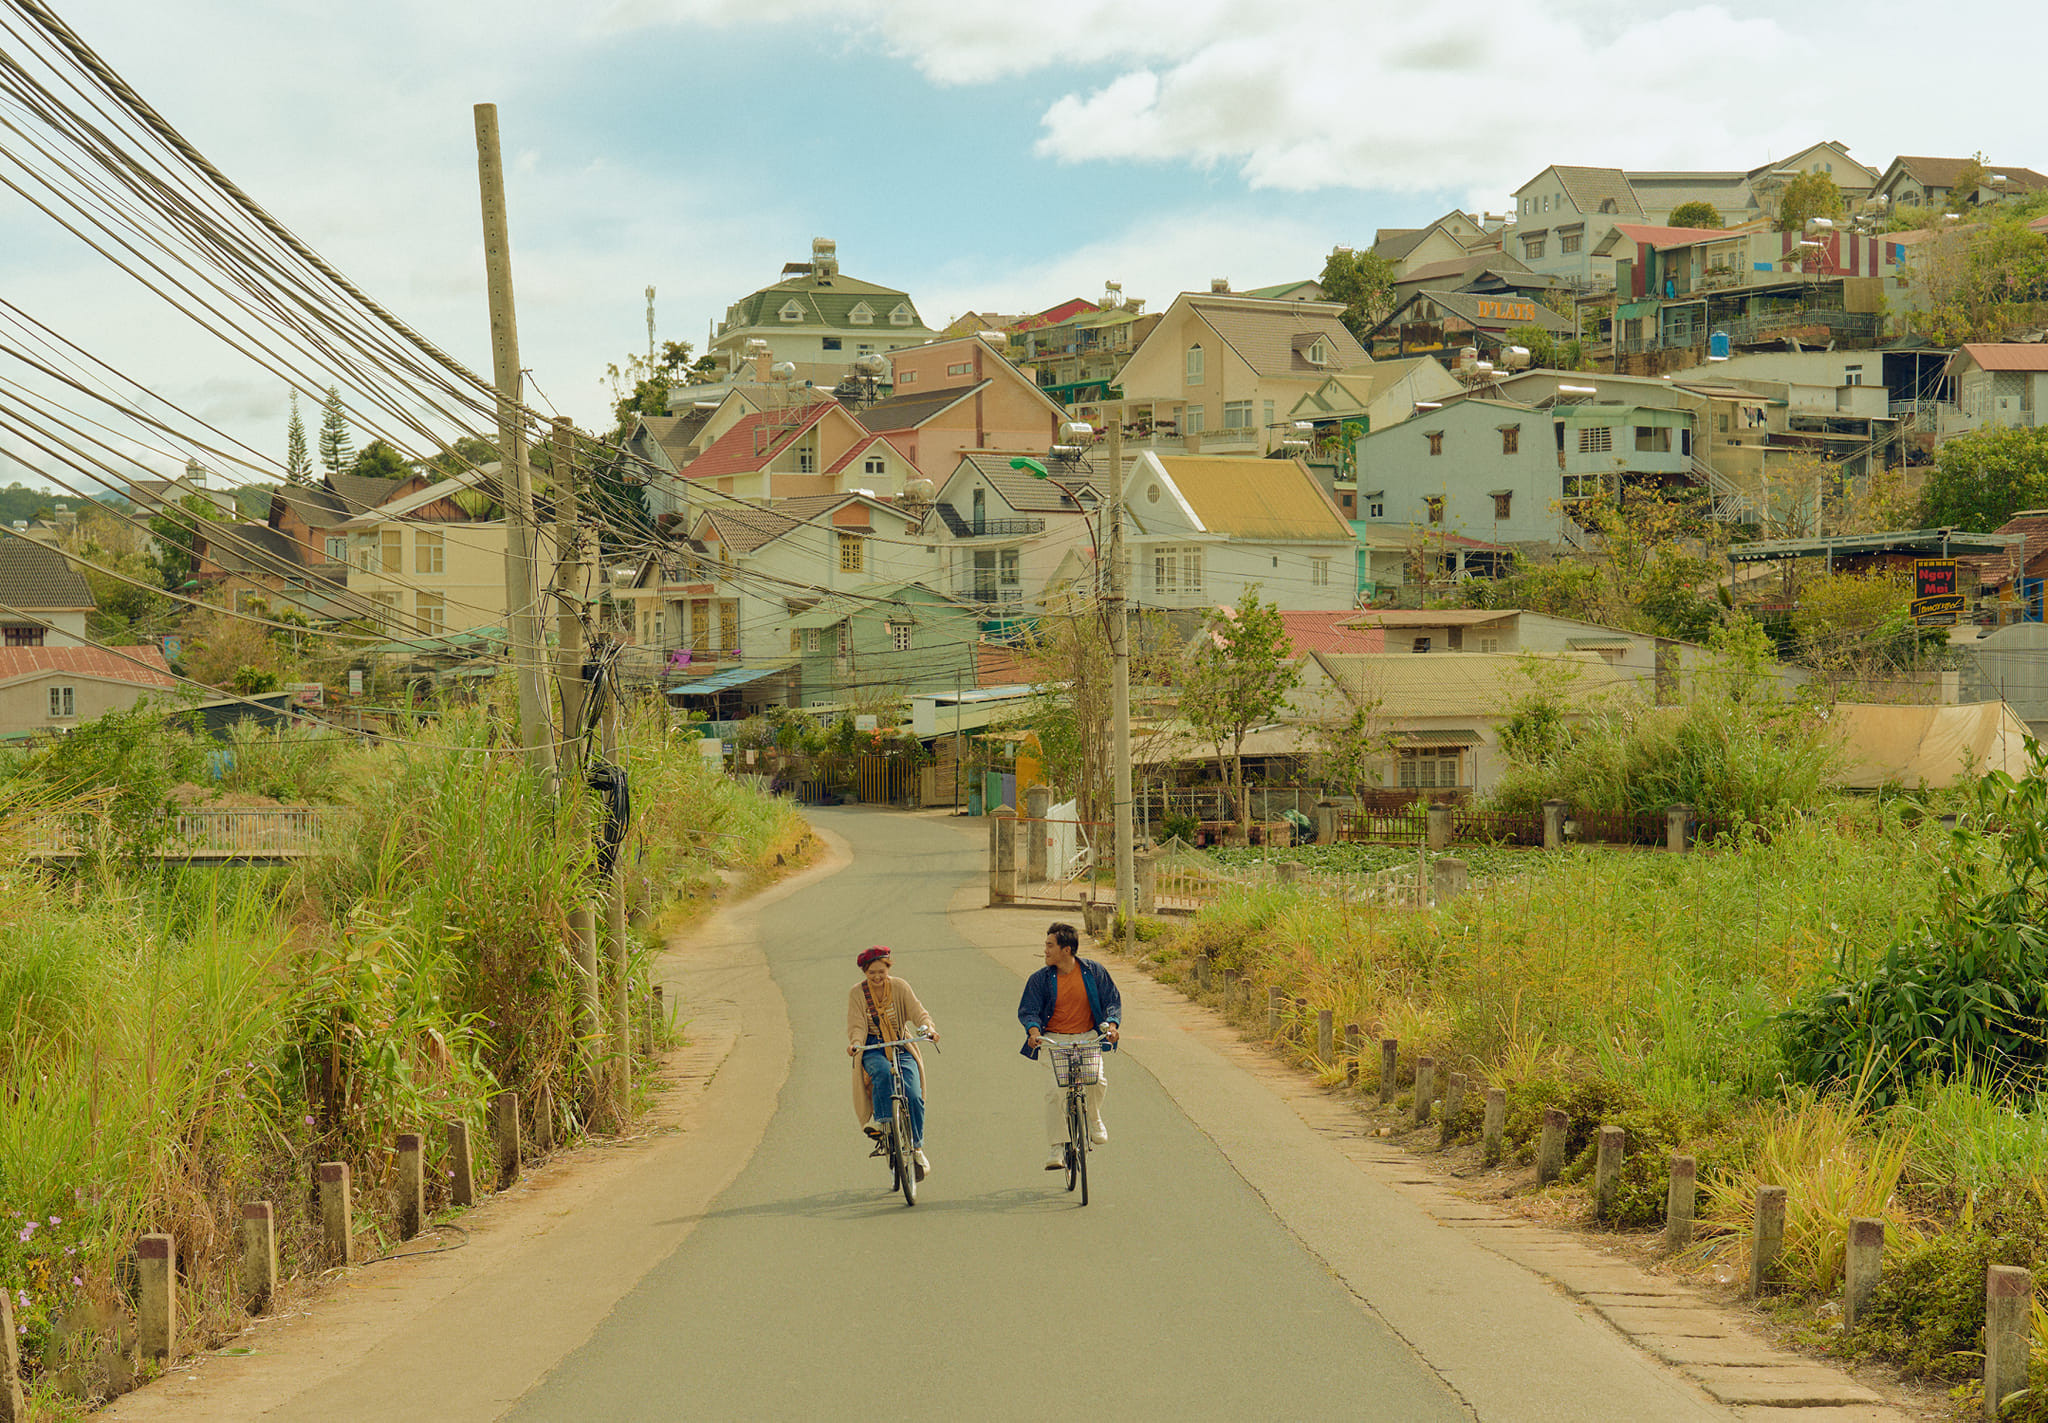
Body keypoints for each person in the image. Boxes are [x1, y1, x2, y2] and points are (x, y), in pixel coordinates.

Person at [1017, 921, 1121, 1171]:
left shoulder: (1094, 972)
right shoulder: (1040, 979)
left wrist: (1113, 1025)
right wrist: (1033, 1032)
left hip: (1087, 1038)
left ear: (1067, 950)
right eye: (1046, 945)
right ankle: (1056, 1147)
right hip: (1053, 1041)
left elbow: (1112, 1002)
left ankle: (1094, 1118)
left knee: (1096, 1080)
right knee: (1055, 1092)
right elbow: (1029, 1010)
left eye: (1050, 945)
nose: (1045, 950)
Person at [847, 946, 938, 1178]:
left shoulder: (900, 986)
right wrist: (856, 1043)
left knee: (914, 1094)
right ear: (864, 973)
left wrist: (928, 1029)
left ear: (889, 967)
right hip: (872, 1047)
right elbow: (857, 1025)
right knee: (883, 1073)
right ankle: (882, 1123)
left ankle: (917, 1148)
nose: (877, 977)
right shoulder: (857, 994)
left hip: (900, 1043)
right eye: (871, 973)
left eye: (881, 971)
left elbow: (918, 1012)